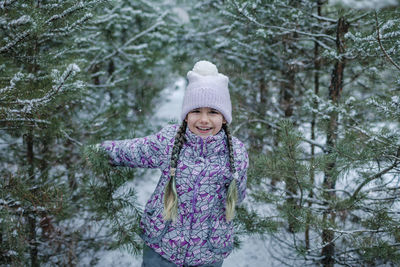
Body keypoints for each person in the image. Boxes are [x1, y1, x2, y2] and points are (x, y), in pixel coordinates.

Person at [99, 60, 249, 267]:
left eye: (213, 112)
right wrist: (101, 151)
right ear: (186, 115)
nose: (204, 119)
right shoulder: (170, 141)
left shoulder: (236, 152)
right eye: (196, 111)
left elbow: (238, 195)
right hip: (162, 246)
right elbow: (136, 150)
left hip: (207, 251)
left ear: (224, 118)